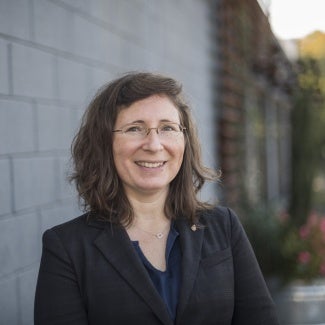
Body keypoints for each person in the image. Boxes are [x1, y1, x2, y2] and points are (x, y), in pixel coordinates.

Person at [34, 72, 279, 325]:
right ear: (105, 142)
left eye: (167, 128)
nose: (153, 144)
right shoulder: (67, 248)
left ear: (184, 141)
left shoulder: (223, 227)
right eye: (135, 129)